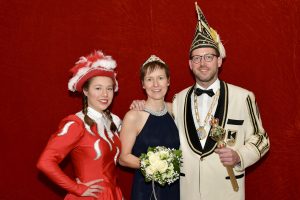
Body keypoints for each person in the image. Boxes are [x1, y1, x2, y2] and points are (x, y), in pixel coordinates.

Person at [131, 2, 270, 200]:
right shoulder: (179, 99)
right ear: (190, 64)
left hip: (227, 191)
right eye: (196, 58)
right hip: (187, 193)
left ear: (219, 60)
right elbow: (160, 110)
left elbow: (262, 138)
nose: (202, 63)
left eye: (208, 57)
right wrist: (142, 104)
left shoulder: (244, 97)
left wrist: (240, 156)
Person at [37, 50, 123, 200]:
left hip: (113, 195)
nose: (105, 94)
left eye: (109, 88)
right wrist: (76, 188)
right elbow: (45, 162)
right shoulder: (76, 123)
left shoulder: (114, 121)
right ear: (85, 91)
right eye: (98, 88)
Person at [119, 55, 180, 200]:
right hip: (145, 191)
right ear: (143, 84)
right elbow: (123, 157)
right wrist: (155, 166)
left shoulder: (176, 110)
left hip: (175, 189)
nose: (155, 84)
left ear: (168, 81)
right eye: (149, 79)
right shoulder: (134, 116)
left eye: (160, 78)